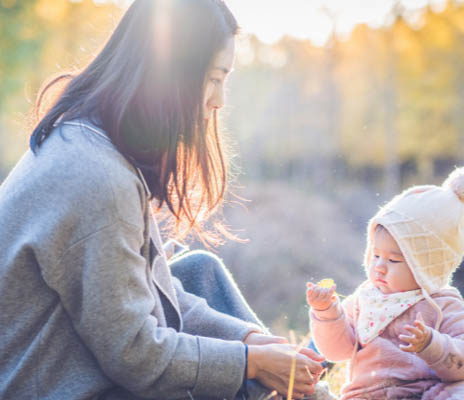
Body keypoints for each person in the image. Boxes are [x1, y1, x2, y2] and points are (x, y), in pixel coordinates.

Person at [0, 0, 324, 398]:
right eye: (214, 78)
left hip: (73, 354)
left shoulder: (90, 142)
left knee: (201, 273)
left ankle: (291, 383)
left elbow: (148, 290)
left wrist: (250, 342)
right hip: (46, 385)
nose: (219, 100)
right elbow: (135, 355)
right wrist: (247, 362)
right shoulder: (95, 178)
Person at [306, 164, 464, 399]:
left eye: (394, 260)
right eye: (375, 255)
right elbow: (336, 351)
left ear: (427, 265)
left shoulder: (444, 305)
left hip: (429, 391)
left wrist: (432, 344)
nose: (379, 267)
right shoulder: (364, 299)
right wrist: (327, 314)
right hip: (367, 394)